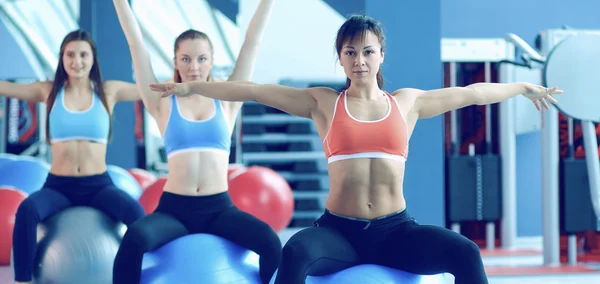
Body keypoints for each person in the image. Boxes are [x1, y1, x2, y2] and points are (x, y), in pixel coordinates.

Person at [149, 14, 563, 284]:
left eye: (367, 51)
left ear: (381, 55)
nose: (359, 60)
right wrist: (192, 86)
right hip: (338, 233)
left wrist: (522, 87)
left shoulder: (407, 103)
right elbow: (255, 90)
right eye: (350, 52)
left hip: (396, 231)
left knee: (466, 253)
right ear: (341, 59)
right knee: (294, 253)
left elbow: (471, 93)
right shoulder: (324, 104)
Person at [111, 1, 281, 283]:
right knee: (134, 240)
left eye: (202, 59)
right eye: (186, 59)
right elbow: (135, 44)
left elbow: (252, 42)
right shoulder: (161, 101)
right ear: (175, 61)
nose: (194, 66)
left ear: (212, 61)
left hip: (219, 209)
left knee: (270, 243)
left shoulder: (228, 100)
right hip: (175, 210)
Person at [0, 30, 146, 284]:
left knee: (136, 214)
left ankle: (137, 277)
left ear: (92, 59)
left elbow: (149, 89)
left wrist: (184, 81)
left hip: (99, 185)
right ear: (62, 58)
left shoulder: (108, 92)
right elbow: (7, 87)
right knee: (27, 210)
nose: (76, 61)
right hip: (60, 186)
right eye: (70, 54)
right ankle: (22, 281)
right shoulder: (48, 91)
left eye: (83, 54)